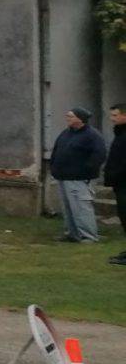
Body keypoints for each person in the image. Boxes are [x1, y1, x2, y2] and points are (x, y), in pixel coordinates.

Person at [50, 107, 107, 243]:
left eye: (71, 116)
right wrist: (54, 167)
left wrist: (86, 170)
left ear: (80, 119)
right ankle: (72, 233)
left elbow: (99, 155)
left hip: (79, 178)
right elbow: (57, 149)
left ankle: (88, 236)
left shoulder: (92, 135)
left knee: (81, 207)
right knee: (68, 208)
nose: (67, 118)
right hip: (63, 177)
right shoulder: (66, 133)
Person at [105, 105, 126, 265]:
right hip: (120, 183)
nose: (112, 118)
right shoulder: (120, 133)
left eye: (115, 115)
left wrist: (115, 174)